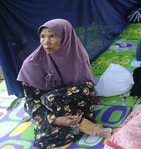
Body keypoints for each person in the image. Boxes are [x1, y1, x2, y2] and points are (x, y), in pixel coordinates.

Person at [17, 19, 112, 148]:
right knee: (42, 140)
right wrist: (57, 119)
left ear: (65, 37)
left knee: (56, 97)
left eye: (52, 36)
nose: (46, 42)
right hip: (47, 108)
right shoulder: (32, 64)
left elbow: (86, 87)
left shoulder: (77, 54)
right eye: (42, 36)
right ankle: (88, 126)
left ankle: (84, 126)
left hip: (72, 101)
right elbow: (32, 102)